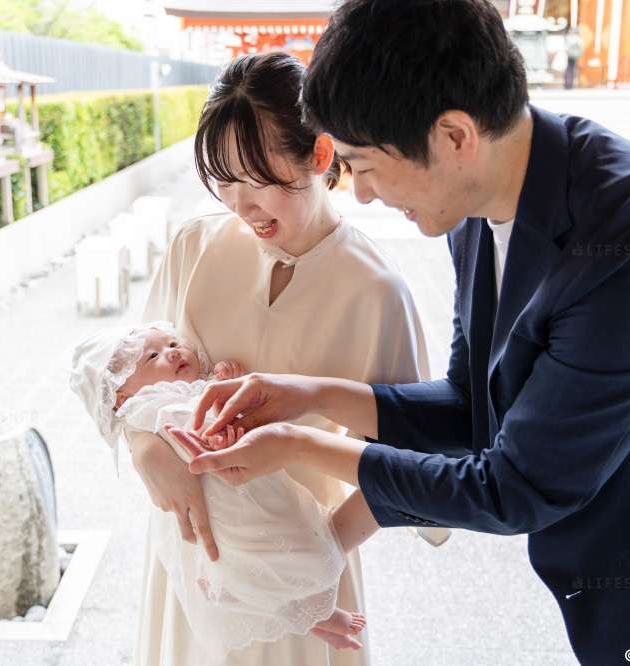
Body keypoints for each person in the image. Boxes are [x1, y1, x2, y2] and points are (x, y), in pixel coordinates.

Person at [167, 1, 630, 663]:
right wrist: (308, 396)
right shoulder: (473, 206)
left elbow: (513, 486)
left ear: (453, 136)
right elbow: (475, 408)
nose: (361, 195)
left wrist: (299, 445)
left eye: (366, 164)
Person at [125, 52, 432, 665]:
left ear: (321, 157)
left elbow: (412, 465)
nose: (241, 205)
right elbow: (125, 378)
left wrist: (308, 564)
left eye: (258, 179)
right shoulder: (195, 246)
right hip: (194, 566)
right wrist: (144, 447)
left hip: (303, 579)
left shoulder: (375, 291)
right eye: (224, 182)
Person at [70, 322, 379, 660]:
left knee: (282, 548)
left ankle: (305, 614)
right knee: (287, 552)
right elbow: (191, 427)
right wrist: (219, 420)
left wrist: (223, 384)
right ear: (122, 396)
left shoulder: (179, 392)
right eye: (153, 356)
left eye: (173, 342)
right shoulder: (149, 405)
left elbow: (208, 410)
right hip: (225, 502)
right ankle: (315, 614)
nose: (173, 351)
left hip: (247, 487)